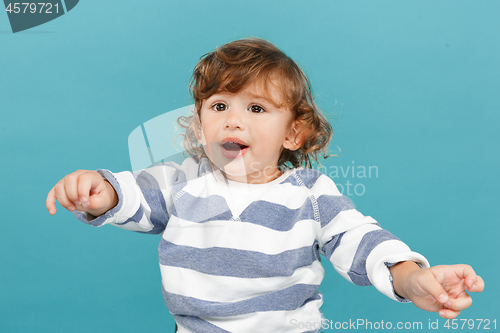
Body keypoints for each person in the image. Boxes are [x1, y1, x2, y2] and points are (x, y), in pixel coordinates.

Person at [46, 38, 484, 333]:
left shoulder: (310, 195)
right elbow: (131, 197)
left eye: (256, 108)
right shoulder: (181, 182)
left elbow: (363, 241)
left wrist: (413, 279)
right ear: (200, 128)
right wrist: (97, 191)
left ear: (293, 134)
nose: (233, 119)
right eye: (219, 106)